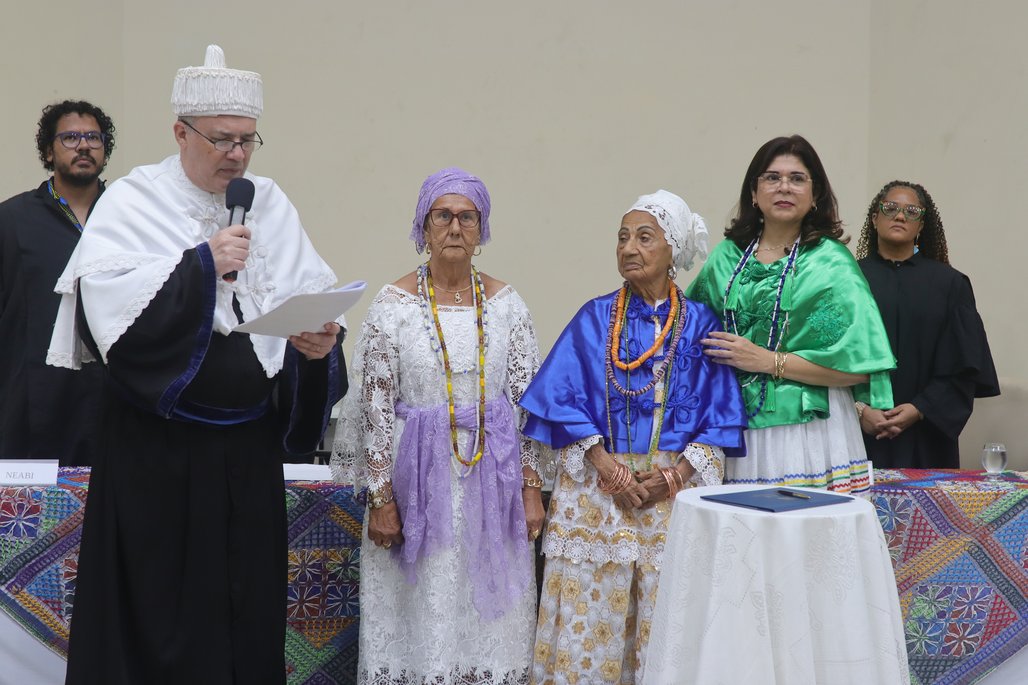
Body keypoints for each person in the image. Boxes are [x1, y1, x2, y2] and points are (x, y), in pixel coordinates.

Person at [47, 45, 347, 684]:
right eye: (222, 140)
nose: (237, 155)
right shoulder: (133, 201)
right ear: (180, 133)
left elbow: (304, 301)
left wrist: (318, 345)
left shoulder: (269, 201)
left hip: (245, 456)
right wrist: (203, 263)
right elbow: (116, 329)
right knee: (160, 616)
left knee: (245, 610)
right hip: (157, 457)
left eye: (247, 140)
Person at [519, 190, 747, 684]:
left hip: (674, 499)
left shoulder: (702, 324)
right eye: (623, 237)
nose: (629, 247)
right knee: (589, 626)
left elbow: (720, 419)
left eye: (645, 237)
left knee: (666, 620)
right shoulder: (594, 317)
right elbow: (557, 401)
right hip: (597, 494)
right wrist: (607, 467)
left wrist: (674, 476)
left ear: (674, 251)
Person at [330, 167, 544, 684]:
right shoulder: (392, 306)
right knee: (423, 606)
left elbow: (528, 406)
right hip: (415, 481)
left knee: (488, 617)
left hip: (493, 484)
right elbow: (375, 408)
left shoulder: (508, 305)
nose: (454, 227)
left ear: (481, 228)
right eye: (442, 216)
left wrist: (531, 489)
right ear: (422, 227)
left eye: (466, 217)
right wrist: (381, 497)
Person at [686, 135, 894, 493]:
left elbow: (859, 368)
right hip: (732, 425)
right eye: (772, 177)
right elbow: (688, 336)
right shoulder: (725, 257)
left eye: (797, 178)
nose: (784, 186)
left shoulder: (831, 263)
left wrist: (769, 361)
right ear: (753, 192)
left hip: (809, 432)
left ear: (815, 196)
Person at [0, 100, 114, 465]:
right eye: (70, 137)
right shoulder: (12, 220)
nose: (83, 146)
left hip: (116, 397)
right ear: (48, 150)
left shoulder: (128, 217)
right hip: (34, 400)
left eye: (93, 138)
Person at [855, 180, 999, 468]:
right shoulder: (849, 280)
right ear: (874, 218)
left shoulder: (951, 284)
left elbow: (964, 367)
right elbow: (826, 357)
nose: (899, 216)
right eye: (891, 208)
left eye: (911, 212)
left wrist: (920, 409)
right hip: (856, 434)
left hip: (926, 435)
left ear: (921, 226)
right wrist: (858, 411)